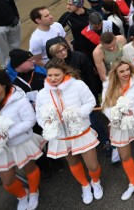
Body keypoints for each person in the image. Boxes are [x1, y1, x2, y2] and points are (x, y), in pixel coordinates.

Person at [35, 59, 103, 205]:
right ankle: (85, 185)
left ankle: (96, 182)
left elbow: (90, 102)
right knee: (73, 163)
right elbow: (39, 116)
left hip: (81, 132)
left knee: (93, 165)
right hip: (61, 137)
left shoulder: (77, 85)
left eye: (56, 75)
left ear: (65, 73)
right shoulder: (42, 94)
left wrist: (78, 114)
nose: (52, 78)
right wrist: (47, 124)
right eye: (50, 75)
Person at [0, 70, 45, 210]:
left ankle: (33, 192)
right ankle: (21, 195)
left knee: (29, 169)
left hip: (21, 142)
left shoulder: (19, 99)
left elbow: (30, 120)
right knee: (7, 181)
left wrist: (8, 134)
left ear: (3, 85)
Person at [101, 59, 134, 200]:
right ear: (115, 73)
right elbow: (104, 106)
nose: (126, 73)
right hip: (119, 125)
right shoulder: (108, 85)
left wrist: (132, 112)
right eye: (121, 71)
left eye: (127, 70)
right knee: (124, 155)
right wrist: (114, 116)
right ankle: (133, 183)